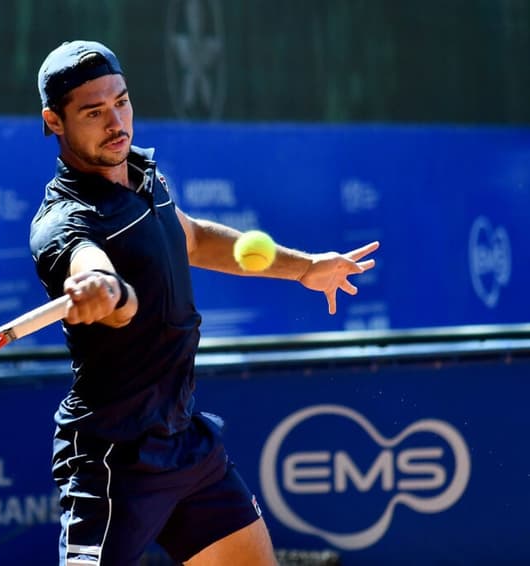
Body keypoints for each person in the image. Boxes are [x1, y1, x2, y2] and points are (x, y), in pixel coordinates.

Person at [30, 40, 379, 566]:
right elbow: (101, 279)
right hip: (115, 461)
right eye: (94, 112)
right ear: (54, 122)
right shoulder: (64, 223)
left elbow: (191, 239)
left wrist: (305, 267)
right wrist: (104, 288)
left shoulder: (146, 179)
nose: (116, 122)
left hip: (185, 443)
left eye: (121, 102)